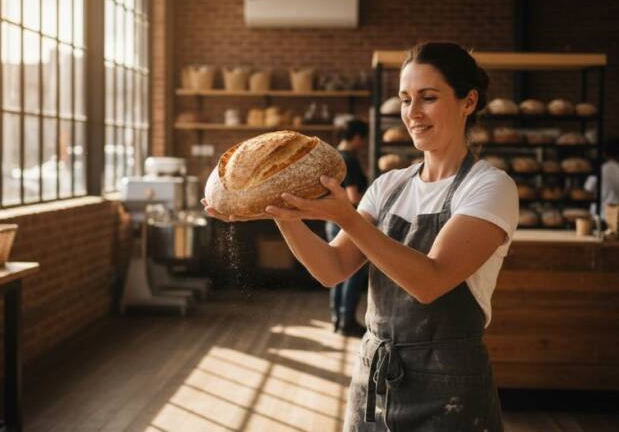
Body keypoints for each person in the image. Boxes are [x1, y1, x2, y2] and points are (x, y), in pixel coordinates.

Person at [203, 41, 517, 431]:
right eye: (405, 99)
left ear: (468, 102)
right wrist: (279, 210)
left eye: (428, 97)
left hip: (450, 388)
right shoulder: (389, 186)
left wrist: (349, 220)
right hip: (375, 379)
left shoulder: (491, 187)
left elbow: (430, 281)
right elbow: (332, 269)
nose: (413, 113)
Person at [327, 119, 369, 337]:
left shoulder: (333, 157)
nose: (363, 143)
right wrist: (375, 199)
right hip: (347, 222)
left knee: (337, 271)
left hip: (331, 220)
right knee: (353, 273)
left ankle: (337, 319)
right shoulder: (349, 160)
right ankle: (347, 322)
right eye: (363, 138)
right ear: (357, 137)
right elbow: (353, 197)